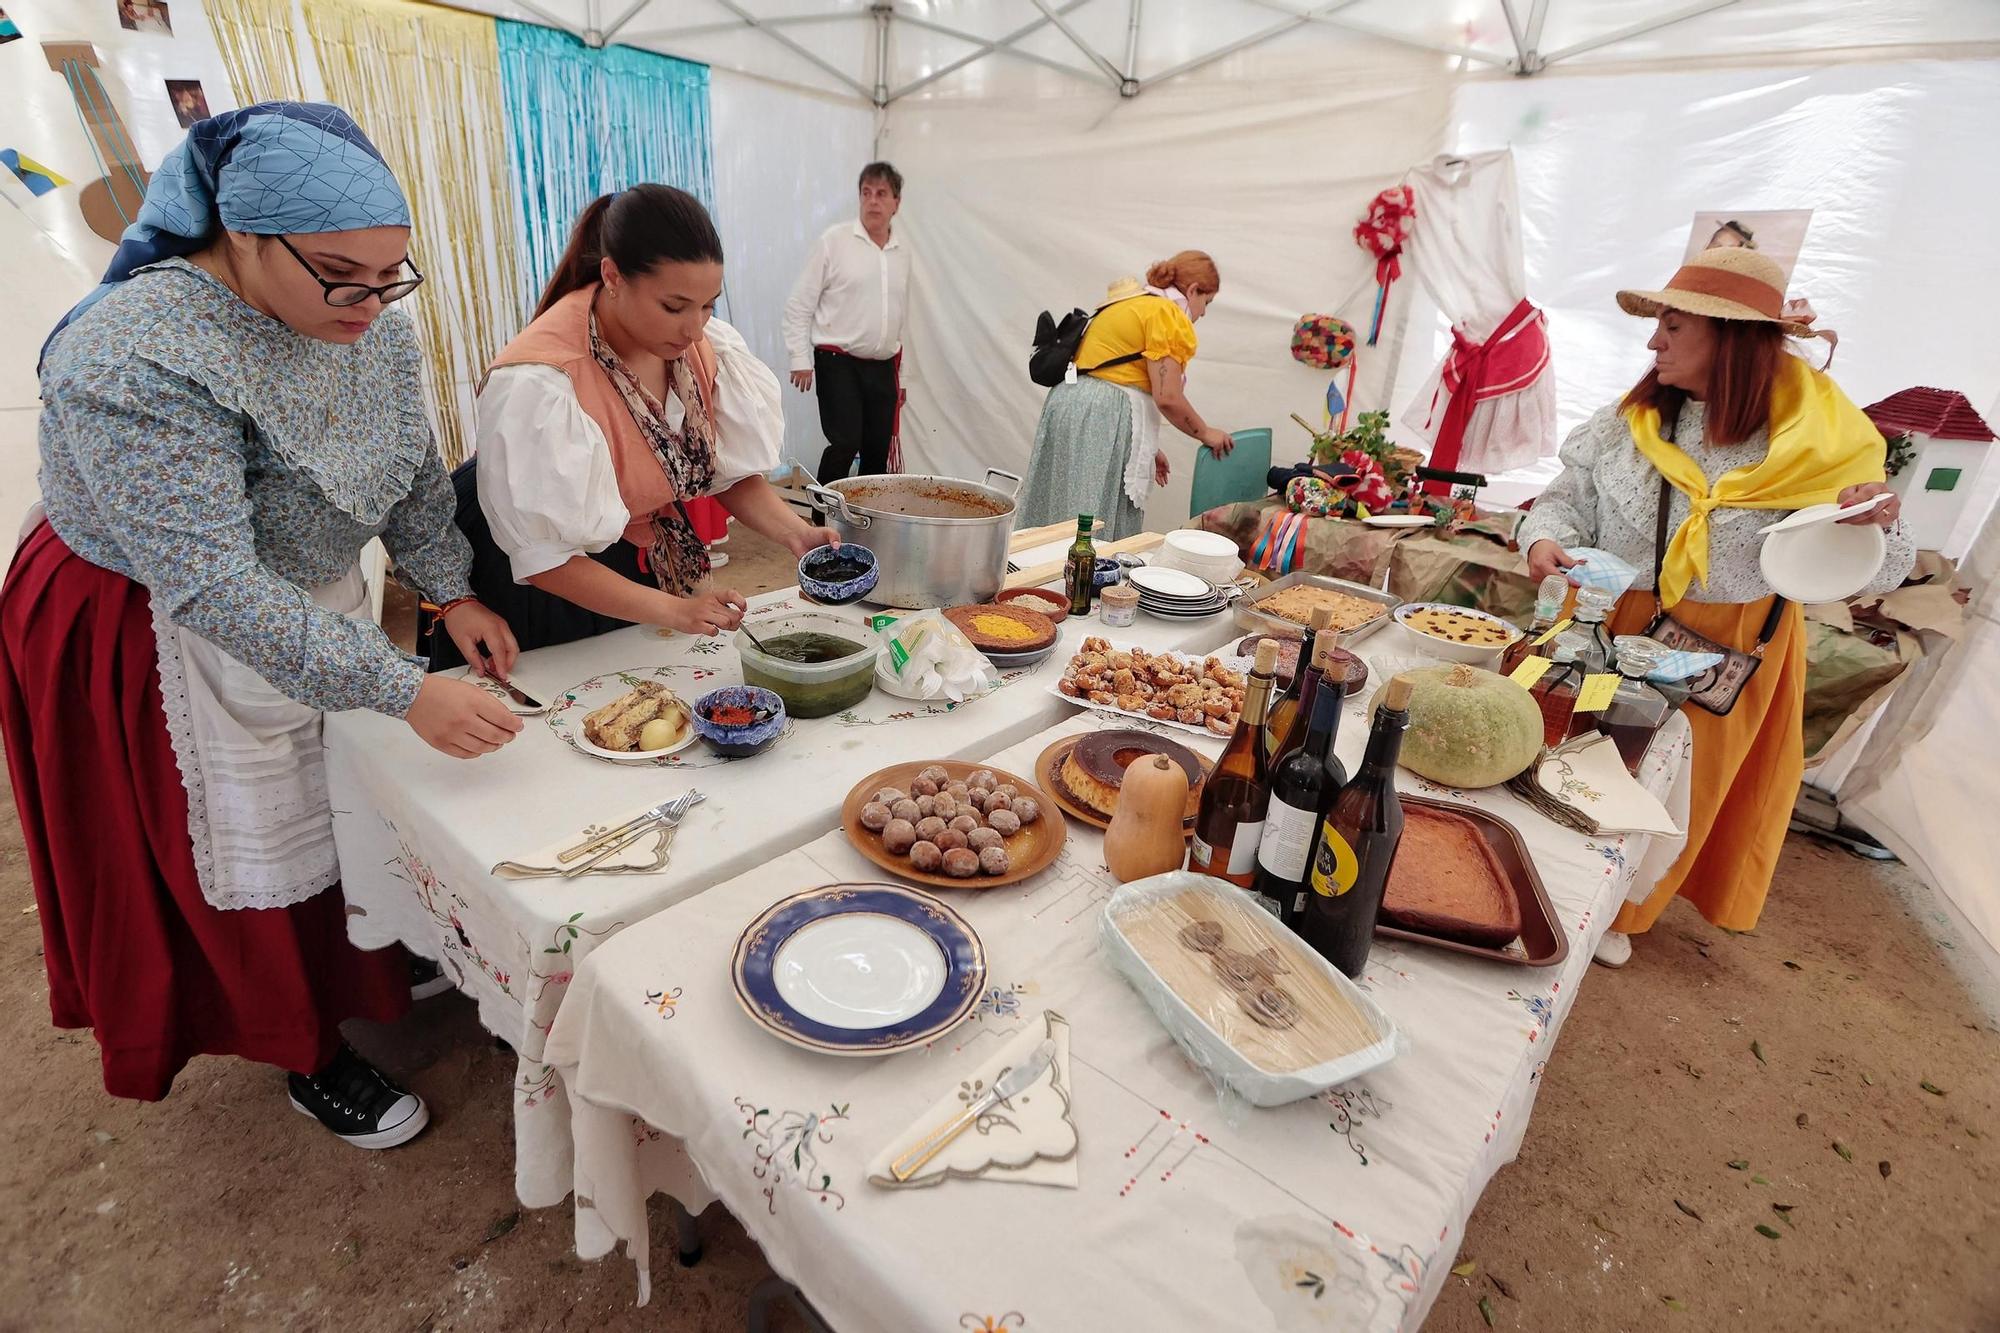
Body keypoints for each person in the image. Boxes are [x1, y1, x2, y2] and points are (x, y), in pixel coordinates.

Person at [1, 102, 524, 1145]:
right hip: (154, 619)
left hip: (298, 597)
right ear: (240, 234)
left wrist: (449, 588)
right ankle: (302, 1046)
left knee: (338, 791)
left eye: (391, 276)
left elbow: (410, 465)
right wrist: (403, 686)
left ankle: (367, 947)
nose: (370, 303)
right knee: (243, 831)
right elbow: (208, 583)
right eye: (341, 275)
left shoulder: (367, 322)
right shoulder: (132, 355)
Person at [1517, 246, 1910, 968]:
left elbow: (1880, 568)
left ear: (1732, 340)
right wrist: (1544, 538)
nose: (1653, 343)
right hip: (1607, 619)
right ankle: (1538, 874)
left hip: (1724, 642)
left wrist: (1870, 525)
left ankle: (1622, 909)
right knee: (1571, 750)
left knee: (1669, 782)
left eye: (1673, 326)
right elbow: (1565, 497)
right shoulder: (1630, 420)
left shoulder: (1817, 440)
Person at [437, 184, 836, 661]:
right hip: (544, 581)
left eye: (708, 304)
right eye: (674, 307)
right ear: (612, 276)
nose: (694, 328)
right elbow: (546, 562)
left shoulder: (702, 348)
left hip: (635, 558)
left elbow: (722, 473)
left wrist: (796, 533)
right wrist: (674, 610)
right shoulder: (540, 382)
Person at [1016, 253, 1236, 541]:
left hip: (1071, 404)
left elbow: (1116, 372)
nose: (1203, 313)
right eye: (1207, 302)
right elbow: (1167, 396)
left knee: (1058, 506)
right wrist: (1206, 432)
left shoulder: (1128, 302)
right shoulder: (1165, 313)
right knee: (1088, 514)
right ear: (1193, 290)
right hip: (1102, 412)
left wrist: (1147, 447)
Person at [784, 162, 911, 485]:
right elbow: (799, 303)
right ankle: (821, 513)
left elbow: (901, 316)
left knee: (877, 450)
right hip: (837, 360)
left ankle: (866, 514)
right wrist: (799, 357)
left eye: (881, 194)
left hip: (883, 366)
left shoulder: (902, 252)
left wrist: (903, 377)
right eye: (866, 193)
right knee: (845, 442)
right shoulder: (834, 242)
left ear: (896, 203)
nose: (873, 201)